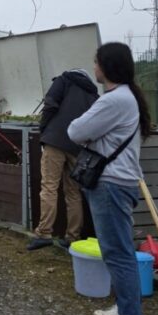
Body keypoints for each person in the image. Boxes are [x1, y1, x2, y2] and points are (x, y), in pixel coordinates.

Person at [68, 42, 152, 315]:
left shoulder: (114, 101)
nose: (94, 67)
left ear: (107, 66)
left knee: (118, 253)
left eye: (96, 62)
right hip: (117, 182)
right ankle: (124, 308)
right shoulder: (127, 97)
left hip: (112, 184)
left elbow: (75, 131)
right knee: (116, 250)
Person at [28, 69, 99, 250]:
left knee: (49, 186)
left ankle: (44, 232)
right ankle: (73, 237)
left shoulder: (63, 80)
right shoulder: (93, 93)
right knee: (73, 192)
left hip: (55, 140)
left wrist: (43, 130)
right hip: (78, 146)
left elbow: (50, 104)